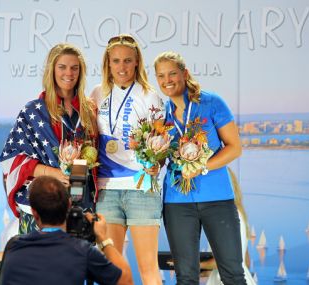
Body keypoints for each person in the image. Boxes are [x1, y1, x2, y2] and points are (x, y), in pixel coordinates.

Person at [154, 51, 246, 285]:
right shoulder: (160, 114)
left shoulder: (211, 102)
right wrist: (152, 163)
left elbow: (234, 147)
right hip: (176, 202)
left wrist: (202, 166)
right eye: (161, 76)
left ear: (184, 74)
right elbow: (161, 157)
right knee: (186, 277)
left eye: (172, 73)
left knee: (233, 274)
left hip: (218, 199)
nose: (167, 80)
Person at [89, 34, 164, 285]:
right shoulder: (97, 94)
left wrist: (158, 163)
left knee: (148, 270)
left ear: (136, 63)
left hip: (141, 189)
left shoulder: (150, 95)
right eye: (116, 61)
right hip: (106, 190)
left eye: (128, 61)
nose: (122, 67)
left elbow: (160, 143)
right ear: (108, 63)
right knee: (112, 270)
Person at [0, 43, 98, 234]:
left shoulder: (89, 110)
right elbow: (10, 159)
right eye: (62, 67)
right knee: (37, 263)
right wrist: (53, 173)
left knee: (77, 262)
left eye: (74, 68)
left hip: (80, 206)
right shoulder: (33, 111)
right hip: (42, 207)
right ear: (52, 70)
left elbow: (95, 156)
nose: (68, 73)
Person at [1, 175, 134, 285]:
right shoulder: (81, 251)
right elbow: (126, 281)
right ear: (69, 205)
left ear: (34, 213)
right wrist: (102, 238)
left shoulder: (13, 247)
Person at [201, 167, 256, 285]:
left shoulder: (222, 214)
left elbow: (226, 259)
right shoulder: (238, 212)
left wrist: (191, 265)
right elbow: (245, 260)